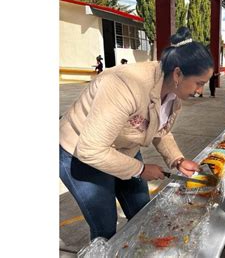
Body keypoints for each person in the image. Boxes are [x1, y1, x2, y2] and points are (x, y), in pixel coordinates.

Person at [59, 27, 214, 240]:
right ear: (178, 73)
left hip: (122, 149)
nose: (200, 90)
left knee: (143, 212)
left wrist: (177, 159)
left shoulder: (174, 94)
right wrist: (140, 169)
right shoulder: (124, 85)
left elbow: (160, 129)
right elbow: (91, 149)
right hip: (81, 153)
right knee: (105, 228)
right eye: (199, 83)